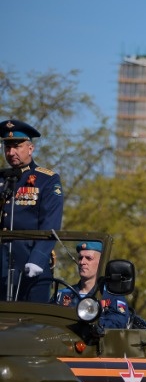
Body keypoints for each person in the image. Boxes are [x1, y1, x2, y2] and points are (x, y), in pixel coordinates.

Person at [1, 119, 64, 302]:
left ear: (30, 148)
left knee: (31, 324)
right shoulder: (2, 179)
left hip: (30, 265)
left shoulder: (47, 180)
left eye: (16, 146)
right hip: (1, 264)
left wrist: (39, 257)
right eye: (7, 147)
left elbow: (50, 222)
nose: (11, 152)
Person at [56, 241, 131, 329]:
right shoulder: (63, 294)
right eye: (80, 258)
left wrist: (94, 324)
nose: (82, 262)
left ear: (101, 263)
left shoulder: (112, 296)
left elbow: (118, 322)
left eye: (88, 258)